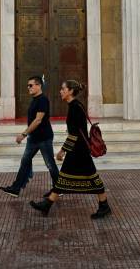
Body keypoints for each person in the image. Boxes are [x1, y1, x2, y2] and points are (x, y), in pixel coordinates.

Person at [29, 80, 111, 219]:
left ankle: (104, 206)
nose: (60, 91)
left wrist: (62, 150)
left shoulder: (75, 107)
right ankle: (47, 204)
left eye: (63, 89)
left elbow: (75, 133)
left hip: (79, 151)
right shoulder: (75, 105)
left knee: (91, 177)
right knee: (65, 178)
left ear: (70, 91)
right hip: (78, 149)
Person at [0, 76, 59, 198]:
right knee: (25, 161)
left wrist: (23, 134)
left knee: (50, 164)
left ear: (38, 85)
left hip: (44, 138)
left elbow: (38, 120)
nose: (28, 88)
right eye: (28, 85)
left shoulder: (43, 100)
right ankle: (15, 188)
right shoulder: (34, 100)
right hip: (34, 138)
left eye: (30, 85)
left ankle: (58, 189)